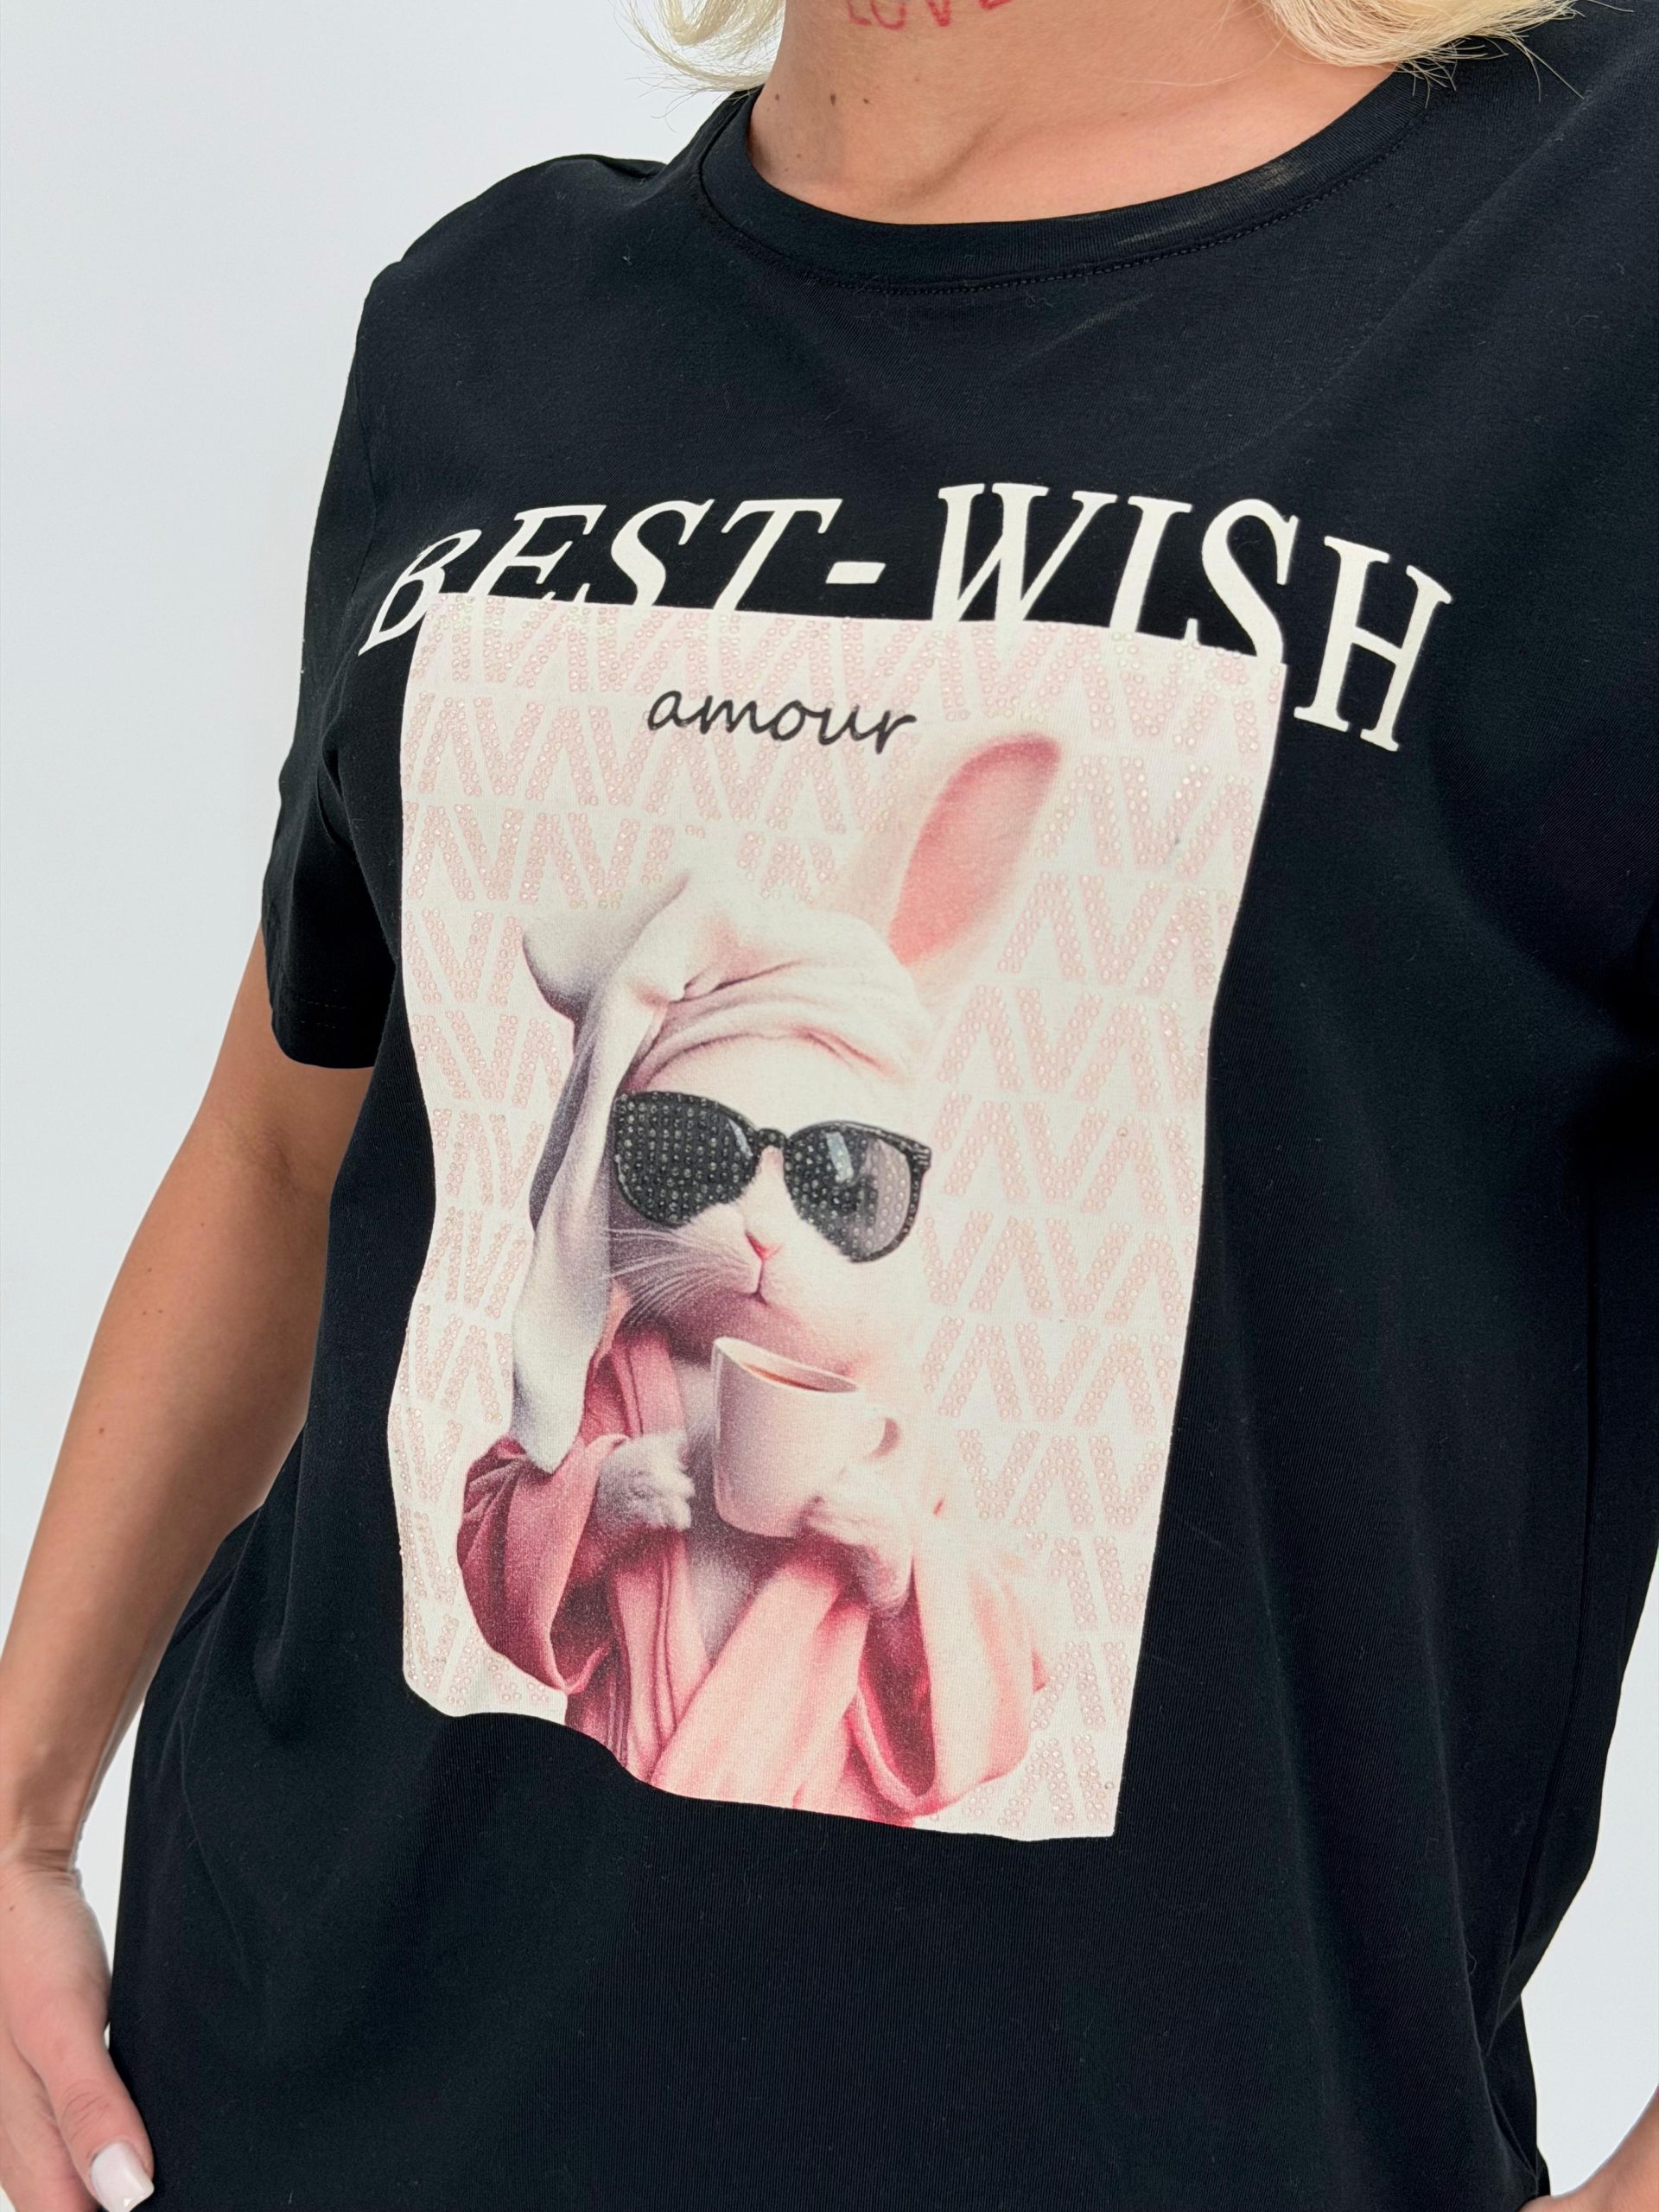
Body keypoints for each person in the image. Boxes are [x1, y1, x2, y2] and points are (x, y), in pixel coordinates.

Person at [0, 0, 1654, 2201]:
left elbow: (984, 1692)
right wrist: (16, 1810)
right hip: (300, 2095)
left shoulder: (1589, 232)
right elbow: (287, 1145)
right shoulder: (486, 325)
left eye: (845, 1176)